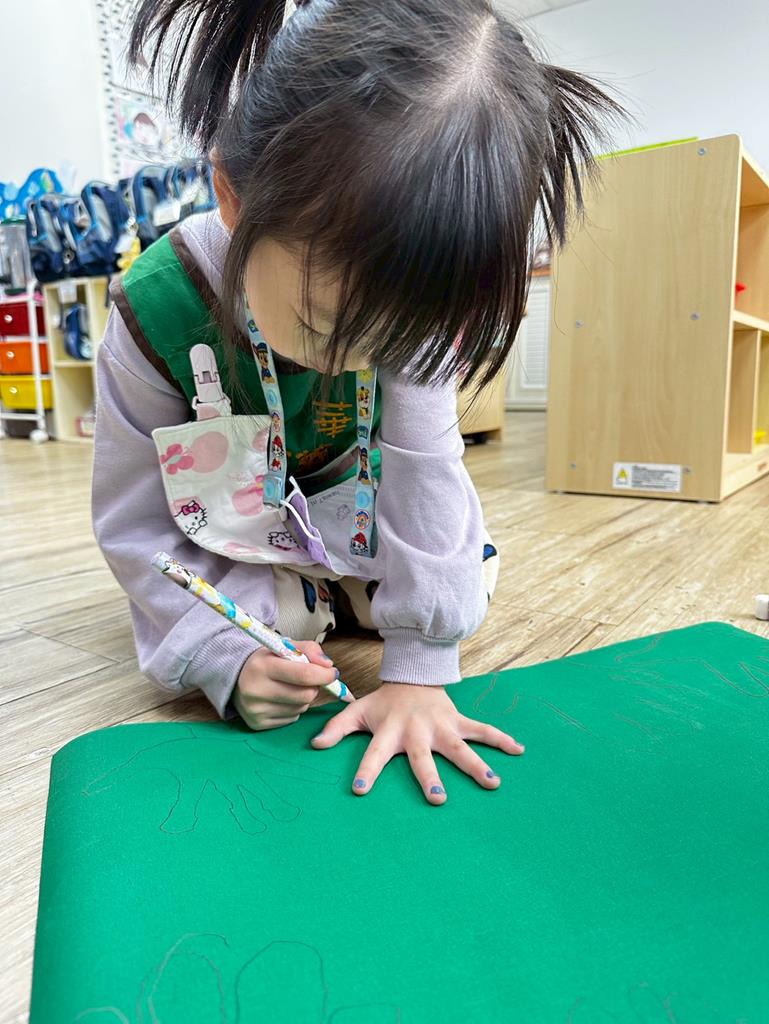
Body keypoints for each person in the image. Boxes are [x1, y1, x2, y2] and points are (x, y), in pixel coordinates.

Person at [93, 0, 618, 804]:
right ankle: (303, 602)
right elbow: (138, 530)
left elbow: (426, 473)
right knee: (269, 630)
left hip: (351, 505)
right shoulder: (152, 312)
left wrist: (420, 672)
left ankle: (335, 592)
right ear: (232, 198)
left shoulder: (410, 300)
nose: (355, 360)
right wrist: (226, 656)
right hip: (235, 527)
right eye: (322, 325)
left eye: (389, 339)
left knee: (460, 579)